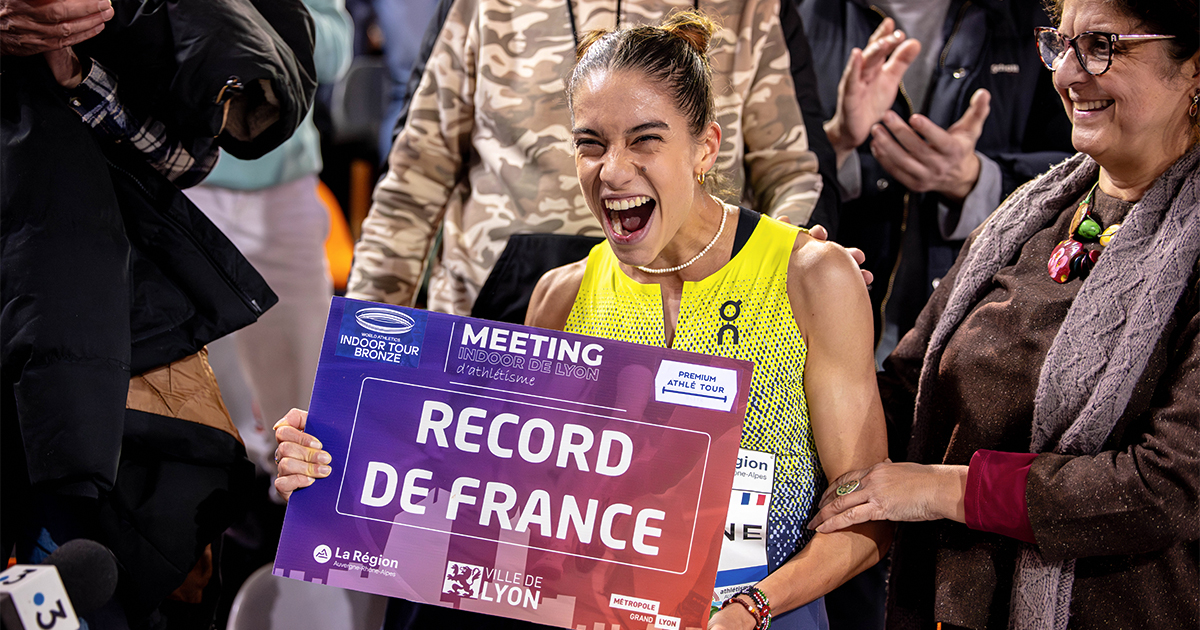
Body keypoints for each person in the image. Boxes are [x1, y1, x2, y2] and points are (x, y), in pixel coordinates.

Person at [277, 12, 890, 630]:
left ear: (705, 146)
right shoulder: (559, 298)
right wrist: (335, 462)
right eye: (591, 144)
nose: (613, 170)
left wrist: (747, 610)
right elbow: (494, 502)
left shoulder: (811, 277)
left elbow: (867, 515)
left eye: (645, 140)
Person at [808, 0, 1200, 627]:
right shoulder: (1028, 216)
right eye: (1060, 43)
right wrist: (822, 319)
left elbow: (1168, 486)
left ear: (1195, 68)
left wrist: (943, 489)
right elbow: (908, 393)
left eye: (1102, 45)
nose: (1069, 73)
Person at [1, 0, 316, 626]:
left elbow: (187, 157)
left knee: (96, 562)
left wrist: (75, 74)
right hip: (76, 313)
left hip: (78, 317)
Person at [345, 0, 832, 318]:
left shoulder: (752, 8)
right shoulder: (482, 7)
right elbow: (411, 184)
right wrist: (359, 351)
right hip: (496, 329)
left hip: (697, 321)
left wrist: (788, 265)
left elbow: (794, 170)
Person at [799, 0, 1074, 364]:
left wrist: (980, 179)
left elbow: (1087, 163)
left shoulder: (1038, 18)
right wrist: (837, 143)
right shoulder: (798, 13)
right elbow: (756, 177)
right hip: (826, 328)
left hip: (971, 334)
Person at [185, 0, 352, 479]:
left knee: (308, 383)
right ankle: (233, 513)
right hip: (183, 180)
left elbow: (335, 51)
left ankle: (294, 515)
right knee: (204, 385)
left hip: (287, 185)